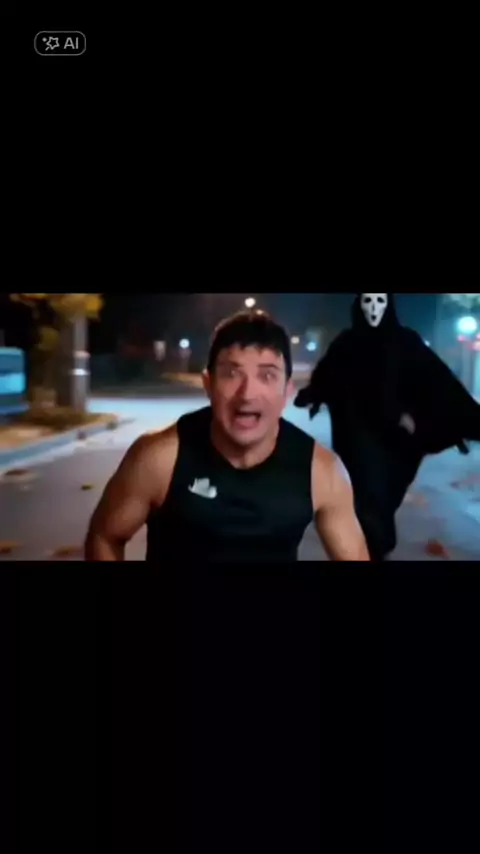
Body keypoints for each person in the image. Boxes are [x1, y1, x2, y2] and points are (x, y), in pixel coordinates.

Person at [85, 310, 369, 562]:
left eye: (267, 375)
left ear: (287, 391)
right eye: (232, 373)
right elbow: (105, 536)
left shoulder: (321, 471)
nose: (247, 394)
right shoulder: (159, 457)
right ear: (208, 384)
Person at [295, 292, 480, 561]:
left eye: (379, 301)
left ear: (388, 305)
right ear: (359, 305)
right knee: (366, 496)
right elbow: (327, 375)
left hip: (395, 442)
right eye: (368, 301)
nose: (374, 308)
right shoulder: (346, 342)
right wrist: (313, 394)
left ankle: (372, 547)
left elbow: (436, 379)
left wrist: (415, 415)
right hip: (356, 438)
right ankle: (371, 549)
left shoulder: (406, 341)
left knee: (384, 496)